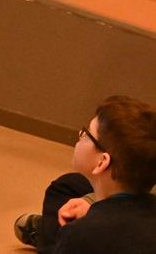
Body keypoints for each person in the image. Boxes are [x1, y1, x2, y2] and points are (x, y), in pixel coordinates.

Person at [13, 95, 156, 253]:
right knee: (67, 185)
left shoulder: (81, 234)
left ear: (102, 162)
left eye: (87, 134)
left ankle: (50, 239)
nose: (80, 136)